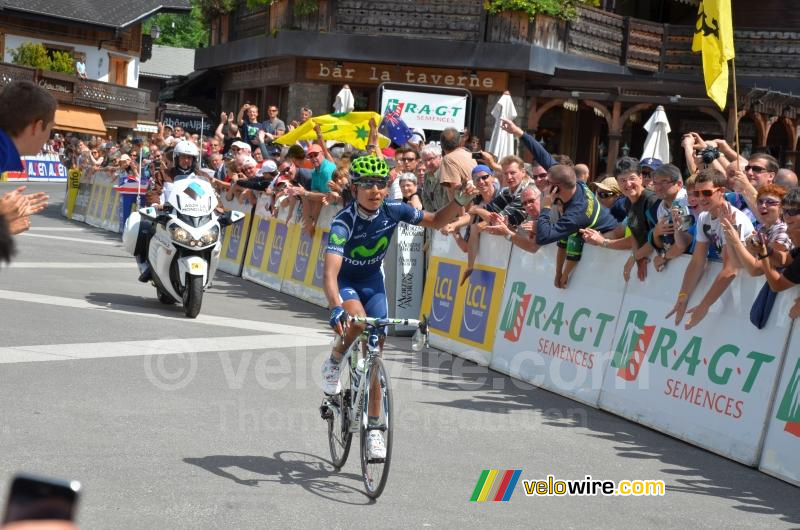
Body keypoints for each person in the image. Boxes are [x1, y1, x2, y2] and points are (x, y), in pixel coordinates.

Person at [321, 155, 476, 459]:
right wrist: (335, 307)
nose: (375, 190)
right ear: (355, 188)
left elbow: (435, 220)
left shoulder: (394, 210)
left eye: (381, 183)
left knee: (376, 352)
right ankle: (334, 361)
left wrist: (458, 202)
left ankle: (375, 429)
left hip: (373, 280)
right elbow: (330, 274)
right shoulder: (344, 221)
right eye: (367, 184)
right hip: (347, 281)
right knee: (358, 321)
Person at [666, 168, 755, 330]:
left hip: (746, 291)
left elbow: (731, 269)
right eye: (697, 193)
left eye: (706, 193)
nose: (701, 198)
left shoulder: (737, 219)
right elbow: (697, 261)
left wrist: (704, 306)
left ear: (721, 191)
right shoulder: (703, 217)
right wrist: (683, 296)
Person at [537, 164, 618, 288]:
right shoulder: (577, 185)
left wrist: (564, 275)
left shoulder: (575, 216)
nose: (559, 208)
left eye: (605, 194)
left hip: (610, 235)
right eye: (599, 193)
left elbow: (573, 253)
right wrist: (558, 272)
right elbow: (562, 244)